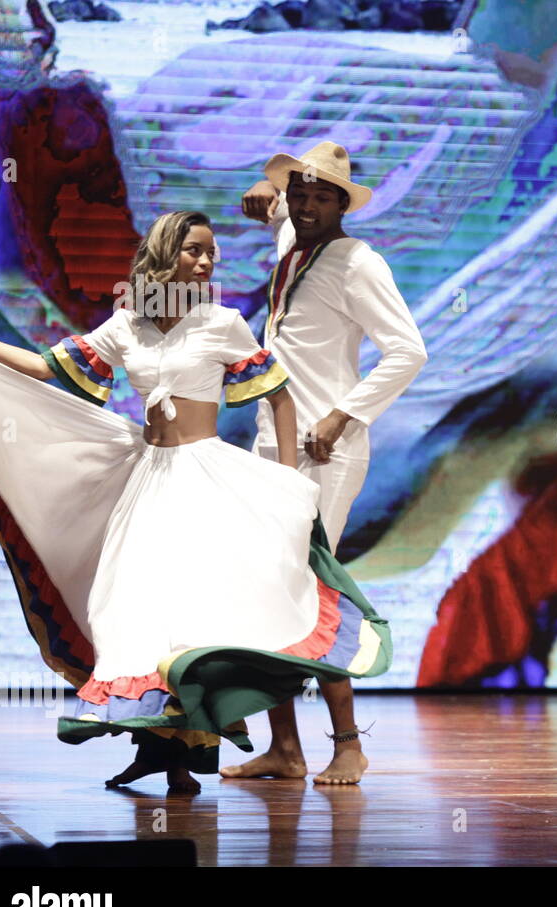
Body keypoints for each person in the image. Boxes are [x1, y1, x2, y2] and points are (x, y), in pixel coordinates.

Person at [0, 211, 392, 793]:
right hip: (152, 482)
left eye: (212, 253)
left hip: (210, 478)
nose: (208, 261)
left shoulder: (221, 322)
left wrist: (289, 481)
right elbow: (45, 368)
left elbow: (280, 395)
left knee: (264, 605)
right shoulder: (127, 326)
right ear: (166, 254)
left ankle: (342, 747)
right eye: (196, 250)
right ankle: (173, 753)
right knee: (144, 616)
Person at [220, 141, 426, 786]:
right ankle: (285, 748)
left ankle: (348, 745)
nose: (306, 204)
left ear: (343, 204)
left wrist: (343, 415)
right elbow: (275, 209)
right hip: (272, 445)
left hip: (325, 451)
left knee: (312, 592)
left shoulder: (358, 262)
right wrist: (268, 196)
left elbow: (408, 351)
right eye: (299, 192)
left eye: (321, 195)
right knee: (270, 595)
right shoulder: (294, 243)